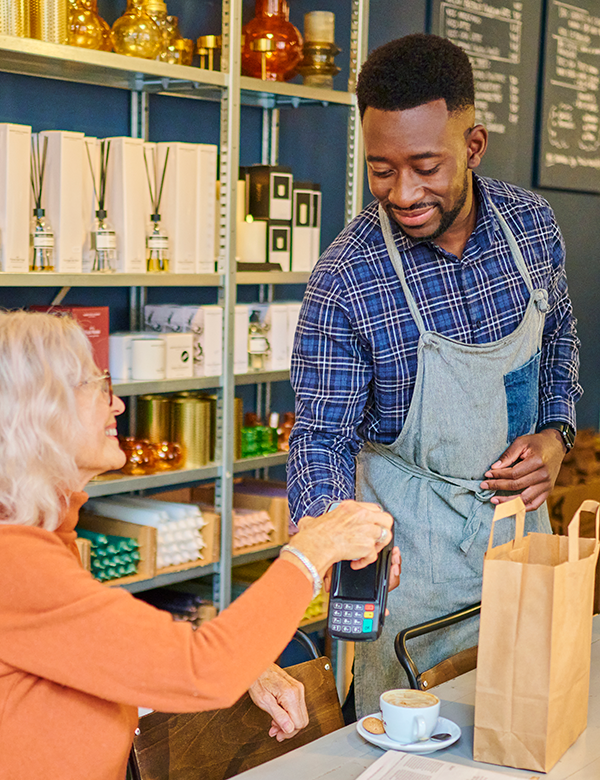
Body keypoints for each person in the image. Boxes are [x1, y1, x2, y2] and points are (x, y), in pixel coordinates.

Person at [287, 33, 581, 718]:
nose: (404, 192)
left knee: (522, 730)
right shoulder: (347, 278)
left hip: (518, 545)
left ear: (473, 146)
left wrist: (557, 434)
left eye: (425, 165)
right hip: (407, 570)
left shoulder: (531, 226)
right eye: (381, 169)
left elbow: (561, 333)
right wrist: (335, 535)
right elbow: (321, 436)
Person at [0, 310, 397, 780]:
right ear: (39, 411)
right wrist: (313, 549)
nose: (118, 406)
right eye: (96, 385)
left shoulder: (44, 536)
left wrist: (245, 665)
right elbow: (201, 671)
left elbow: (108, 656)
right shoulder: (17, 560)